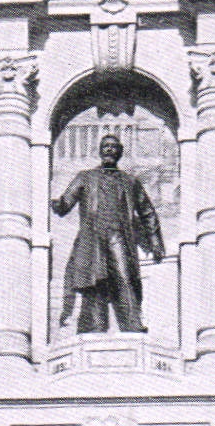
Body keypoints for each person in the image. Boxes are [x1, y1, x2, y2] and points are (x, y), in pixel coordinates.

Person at [50, 133, 164, 333]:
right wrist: (57, 203)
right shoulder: (85, 177)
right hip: (93, 238)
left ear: (120, 152)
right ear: (100, 151)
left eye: (113, 146)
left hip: (119, 236)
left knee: (125, 279)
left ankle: (132, 326)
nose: (109, 149)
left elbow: (147, 212)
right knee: (95, 284)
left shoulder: (130, 182)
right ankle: (94, 327)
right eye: (106, 146)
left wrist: (155, 242)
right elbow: (66, 202)